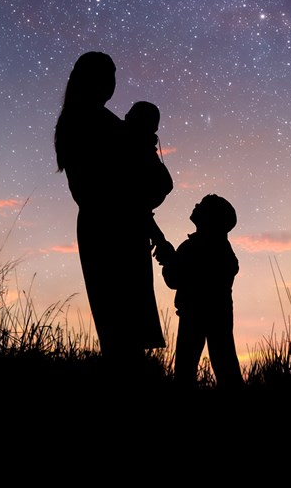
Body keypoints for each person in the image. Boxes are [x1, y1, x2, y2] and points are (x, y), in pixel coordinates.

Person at [54, 52, 166, 373]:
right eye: (106, 75)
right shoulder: (91, 122)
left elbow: (132, 188)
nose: (112, 83)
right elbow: (122, 188)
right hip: (111, 229)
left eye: (114, 76)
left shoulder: (95, 120)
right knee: (121, 331)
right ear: (90, 80)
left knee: (123, 331)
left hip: (115, 226)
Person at [155, 194, 244, 389]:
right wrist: (172, 260)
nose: (196, 204)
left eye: (203, 205)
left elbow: (175, 279)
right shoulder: (218, 248)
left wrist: (170, 261)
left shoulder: (196, 246)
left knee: (187, 372)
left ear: (212, 218)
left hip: (194, 314)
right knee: (225, 365)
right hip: (215, 314)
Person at [124, 100, 174, 250]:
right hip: (131, 226)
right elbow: (135, 203)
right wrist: (158, 237)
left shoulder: (143, 148)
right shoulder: (135, 149)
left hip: (139, 225)